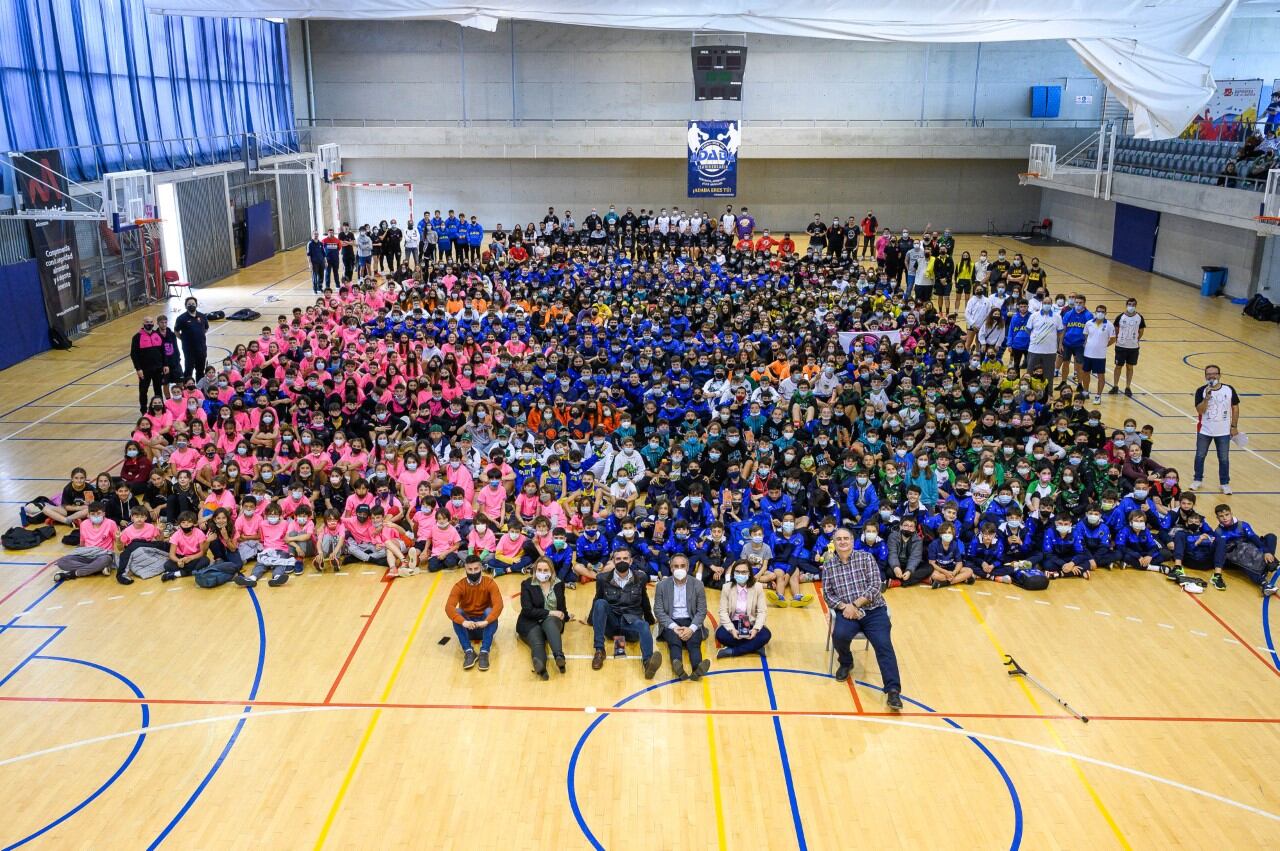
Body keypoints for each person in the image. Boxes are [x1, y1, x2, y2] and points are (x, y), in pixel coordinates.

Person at [821, 527, 903, 708]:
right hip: (847, 613)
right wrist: (845, 607)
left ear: (852, 541)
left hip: (873, 611)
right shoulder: (828, 565)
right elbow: (828, 594)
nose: (842, 542)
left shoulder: (865, 558)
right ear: (834, 543)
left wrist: (855, 605)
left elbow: (875, 586)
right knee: (839, 636)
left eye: (846, 538)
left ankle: (893, 691)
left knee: (884, 646)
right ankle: (846, 662)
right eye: (839, 539)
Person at [588, 550, 662, 678]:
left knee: (644, 625)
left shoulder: (641, 577)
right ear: (613, 561)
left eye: (625, 558)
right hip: (612, 625)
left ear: (631, 561)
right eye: (618, 558)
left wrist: (650, 619)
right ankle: (599, 650)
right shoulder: (602, 578)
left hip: (631, 623)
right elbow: (597, 599)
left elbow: (644, 599)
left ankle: (647, 662)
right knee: (600, 603)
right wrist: (591, 619)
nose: (622, 561)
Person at [653, 554, 710, 680]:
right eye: (676, 566)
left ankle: (697, 668)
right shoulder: (661, 586)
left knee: (694, 642)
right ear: (671, 568)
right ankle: (678, 667)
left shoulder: (698, 585)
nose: (679, 569)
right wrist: (674, 627)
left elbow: (701, 611)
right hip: (670, 621)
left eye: (682, 566)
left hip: (691, 620)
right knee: (674, 642)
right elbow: (658, 610)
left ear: (688, 567)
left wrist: (691, 628)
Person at [445, 555, 503, 671]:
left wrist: (486, 621)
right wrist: (463, 622)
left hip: (485, 627)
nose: (473, 572)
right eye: (470, 569)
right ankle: (469, 651)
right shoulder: (459, 586)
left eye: (476, 569)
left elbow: (499, 605)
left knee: (489, 611)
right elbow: (449, 607)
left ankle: (484, 652)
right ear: (465, 570)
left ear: (481, 568)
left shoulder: (490, 583)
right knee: (457, 612)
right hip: (468, 628)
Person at [516, 556, 568, 679]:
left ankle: (559, 657)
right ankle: (541, 668)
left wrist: (565, 616)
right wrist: (551, 612)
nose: (542, 573)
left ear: (551, 571)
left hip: (552, 622)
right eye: (539, 570)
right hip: (530, 622)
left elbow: (562, 607)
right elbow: (528, 610)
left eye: (545, 570)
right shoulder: (527, 584)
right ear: (535, 571)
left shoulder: (559, 584)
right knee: (537, 641)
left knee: (550, 622)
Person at [1191, 364, 1239, 494]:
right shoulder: (1201, 390)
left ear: (1219, 375)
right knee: (1200, 455)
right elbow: (1200, 410)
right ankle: (1197, 480)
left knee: (1224, 458)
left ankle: (1224, 483)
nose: (1211, 376)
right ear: (1205, 376)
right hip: (1204, 430)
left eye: (1214, 373)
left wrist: (1234, 426)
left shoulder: (1229, 390)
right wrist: (1206, 397)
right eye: (1209, 374)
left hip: (1223, 432)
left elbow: (1235, 407)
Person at [715, 559, 772, 658]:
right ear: (733, 573)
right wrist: (732, 630)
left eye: (744, 572)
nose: (740, 574)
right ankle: (755, 647)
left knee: (766, 635)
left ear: (749, 573)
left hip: (750, 622)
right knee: (720, 635)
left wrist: (755, 629)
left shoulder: (757, 587)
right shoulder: (726, 587)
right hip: (733, 622)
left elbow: (762, 612)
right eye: (738, 572)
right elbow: (723, 612)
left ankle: (732, 651)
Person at [130, 316, 167, 415]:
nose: (149, 324)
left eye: (151, 322)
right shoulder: (137, 337)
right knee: (143, 391)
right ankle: (143, 411)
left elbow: (163, 352)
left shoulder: (157, 335)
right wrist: (138, 369)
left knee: (158, 390)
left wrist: (165, 365)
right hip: (144, 370)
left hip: (158, 369)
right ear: (143, 324)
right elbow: (134, 354)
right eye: (147, 322)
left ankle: (160, 409)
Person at [1109, 297, 1145, 397]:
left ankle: (1128, 387)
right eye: (1129, 304)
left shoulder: (1139, 317)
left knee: (1130, 367)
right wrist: (1119, 339)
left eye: (1133, 305)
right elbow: (1116, 329)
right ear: (1126, 305)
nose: (1131, 306)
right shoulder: (1120, 317)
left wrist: (1135, 340)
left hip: (1133, 347)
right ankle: (1115, 386)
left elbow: (1141, 331)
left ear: (1136, 305)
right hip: (1121, 346)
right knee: (1118, 366)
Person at [174, 296, 210, 382]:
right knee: (188, 371)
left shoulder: (202, 316)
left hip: (201, 349)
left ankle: (200, 390)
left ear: (196, 305)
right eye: (189, 304)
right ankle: (187, 389)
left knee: (200, 371)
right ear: (186, 306)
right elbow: (176, 331)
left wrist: (198, 336)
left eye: (193, 304)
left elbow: (206, 328)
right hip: (189, 350)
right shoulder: (181, 318)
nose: (191, 305)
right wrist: (184, 339)